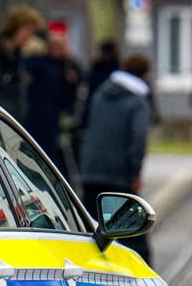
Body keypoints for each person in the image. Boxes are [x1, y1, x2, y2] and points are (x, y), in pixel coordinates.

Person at [77, 54, 154, 263]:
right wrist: (135, 173)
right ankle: (144, 280)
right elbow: (137, 139)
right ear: (145, 75)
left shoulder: (100, 93)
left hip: (91, 171)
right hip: (119, 176)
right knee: (132, 232)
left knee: (93, 232)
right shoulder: (138, 102)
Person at [20, 35, 79, 175]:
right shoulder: (52, 70)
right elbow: (62, 97)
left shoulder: (45, 68)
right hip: (47, 120)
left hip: (39, 118)